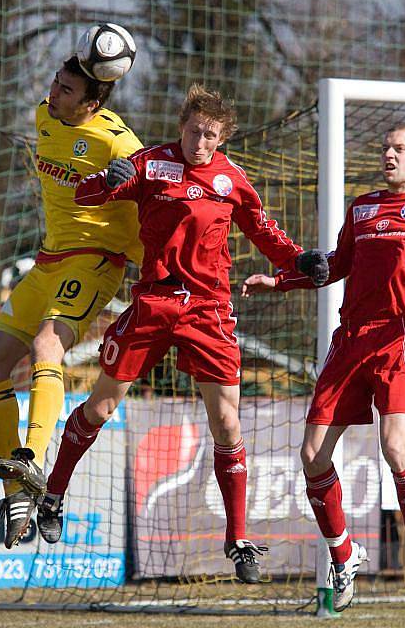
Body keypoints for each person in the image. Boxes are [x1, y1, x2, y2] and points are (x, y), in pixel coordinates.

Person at [33, 83, 328, 584]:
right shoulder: (152, 164)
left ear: (222, 138)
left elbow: (263, 230)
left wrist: (297, 259)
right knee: (101, 407)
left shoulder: (232, 180)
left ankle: (238, 540)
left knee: (228, 425)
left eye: (210, 136)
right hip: (154, 301)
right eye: (194, 132)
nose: (200, 143)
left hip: (210, 310)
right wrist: (108, 178)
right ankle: (54, 494)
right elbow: (85, 196)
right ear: (181, 127)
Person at [241, 123, 405, 610]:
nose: (388, 153)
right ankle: (344, 554)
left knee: (395, 446)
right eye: (385, 147)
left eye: (399, 148)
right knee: (312, 454)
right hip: (351, 340)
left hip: (401, 338)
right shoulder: (362, 206)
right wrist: (280, 282)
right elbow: (336, 265)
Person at [0, 55, 144, 549]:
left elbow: (158, 190)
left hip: (94, 261)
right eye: (55, 82)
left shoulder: (118, 142)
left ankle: (33, 457)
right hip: (47, 261)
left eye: (66, 89)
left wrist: (133, 180)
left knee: (49, 347)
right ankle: (17, 494)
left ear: (92, 102)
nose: (53, 92)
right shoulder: (45, 116)